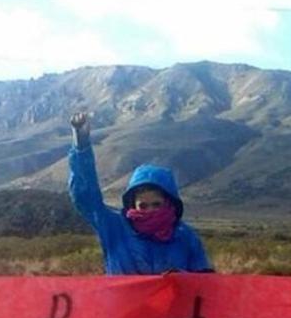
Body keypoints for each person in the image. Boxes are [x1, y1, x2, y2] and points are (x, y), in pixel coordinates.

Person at [67, 112, 212, 274]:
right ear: (132, 205)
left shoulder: (186, 237)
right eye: (143, 206)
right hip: (123, 300)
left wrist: (181, 278)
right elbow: (85, 197)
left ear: (169, 202)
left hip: (173, 301)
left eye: (156, 205)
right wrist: (81, 146)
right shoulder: (114, 228)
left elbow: (205, 284)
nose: (149, 211)